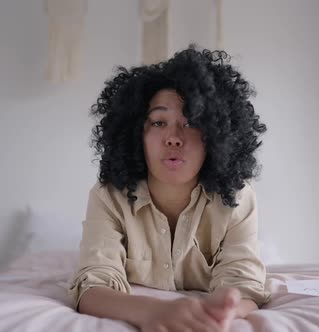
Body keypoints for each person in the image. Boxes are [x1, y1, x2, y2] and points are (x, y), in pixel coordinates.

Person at [68, 45, 269, 332]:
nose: (173, 138)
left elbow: (245, 284)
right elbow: (91, 285)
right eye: (159, 122)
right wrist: (154, 311)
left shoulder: (237, 198)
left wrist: (224, 310)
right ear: (138, 133)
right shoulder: (109, 197)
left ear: (215, 135)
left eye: (190, 123)